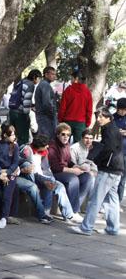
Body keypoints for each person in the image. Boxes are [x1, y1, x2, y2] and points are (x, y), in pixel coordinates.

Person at [71, 107, 124, 236]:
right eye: (98, 116)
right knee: (112, 199)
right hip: (116, 169)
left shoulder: (110, 130)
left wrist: (97, 159)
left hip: (108, 169)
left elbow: (108, 149)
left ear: (108, 117)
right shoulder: (112, 128)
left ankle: (86, 227)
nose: (99, 119)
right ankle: (112, 228)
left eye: (101, 117)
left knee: (96, 198)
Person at [18, 135, 79, 223]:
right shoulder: (27, 151)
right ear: (39, 146)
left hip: (42, 176)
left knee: (60, 186)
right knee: (50, 182)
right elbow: (28, 170)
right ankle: (45, 212)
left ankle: (68, 215)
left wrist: (49, 178)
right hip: (32, 177)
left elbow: (46, 169)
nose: (47, 147)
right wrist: (46, 180)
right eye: (45, 145)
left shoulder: (43, 152)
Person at [48, 123, 93, 216]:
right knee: (73, 179)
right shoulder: (53, 146)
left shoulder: (67, 145)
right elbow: (55, 167)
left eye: (68, 135)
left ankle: (73, 208)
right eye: (63, 134)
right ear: (57, 135)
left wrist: (76, 166)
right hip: (56, 172)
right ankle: (73, 212)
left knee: (87, 177)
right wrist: (72, 170)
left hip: (66, 170)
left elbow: (68, 161)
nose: (66, 137)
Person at [0, 124, 20, 229]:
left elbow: (15, 163)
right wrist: (0, 172)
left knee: (7, 194)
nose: (14, 137)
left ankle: (4, 217)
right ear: (5, 135)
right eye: (12, 135)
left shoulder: (15, 146)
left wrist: (7, 172)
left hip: (10, 174)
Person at [8, 69, 42, 145]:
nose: (39, 80)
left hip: (12, 111)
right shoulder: (30, 85)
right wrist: (27, 116)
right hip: (20, 114)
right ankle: (21, 155)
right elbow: (26, 101)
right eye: (39, 78)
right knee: (22, 138)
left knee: (13, 136)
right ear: (34, 77)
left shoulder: (22, 81)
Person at [58, 71, 93, 143]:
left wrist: (60, 120)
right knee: (79, 146)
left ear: (76, 79)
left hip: (67, 122)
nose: (71, 80)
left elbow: (62, 107)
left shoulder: (68, 90)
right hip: (81, 123)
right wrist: (88, 122)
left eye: (72, 78)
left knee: (63, 144)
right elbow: (89, 110)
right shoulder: (87, 92)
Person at [35, 67, 58, 138]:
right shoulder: (45, 85)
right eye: (52, 74)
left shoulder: (43, 84)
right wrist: (52, 114)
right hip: (46, 117)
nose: (55, 76)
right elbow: (47, 103)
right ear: (46, 74)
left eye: (55, 74)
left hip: (44, 116)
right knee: (47, 139)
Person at [114, 98, 126, 202]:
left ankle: (117, 201)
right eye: (121, 109)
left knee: (122, 179)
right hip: (114, 152)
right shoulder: (112, 118)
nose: (123, 112)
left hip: (125, 152)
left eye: (125, 110)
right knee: (112, 178)